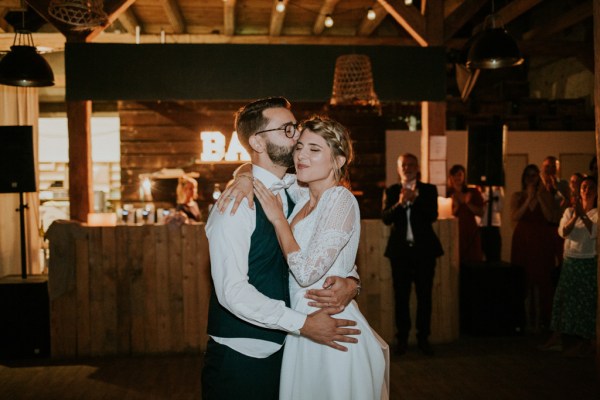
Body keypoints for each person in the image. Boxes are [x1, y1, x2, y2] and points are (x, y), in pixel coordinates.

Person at [201, 97, 361, 400]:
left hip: (291, 350)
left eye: (295, 127)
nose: (296, 136)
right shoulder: (234, 206)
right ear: (257, 142)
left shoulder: (297, 190)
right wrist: (302, 324)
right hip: (243, 355)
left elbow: (329, 247)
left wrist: (352, 282)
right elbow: (232, 291)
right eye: (287, 130)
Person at [254, 116, 388, 399]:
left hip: (335, 331)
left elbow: (305, 273)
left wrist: (279, 220)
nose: (301, 155)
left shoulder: (340, 199)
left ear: (338, 160)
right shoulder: (303, 194)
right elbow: (260, 173)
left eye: (315, 149)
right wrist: (242, 177)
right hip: (305, 327)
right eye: (300, 147)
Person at [382, 153, 443, 356]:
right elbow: (386, 219)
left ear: (417, 167)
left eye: (410, 164)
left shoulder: (428, 190)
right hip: (400, 253)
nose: (407, 168)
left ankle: (423, 338)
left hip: (424, 252)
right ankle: (402, 340)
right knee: (401, 297)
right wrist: (400, 203)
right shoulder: (391, 191)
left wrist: (415, 199)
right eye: (403, 165)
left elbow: (432, 215)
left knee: (424, 296)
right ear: (399, 169)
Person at [550, 176, 597, 357]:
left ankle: (588, 342)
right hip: (570, 261)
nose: (587, 190)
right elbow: (563, 232)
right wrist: (576, 215)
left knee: (584, 303)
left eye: (591, 187)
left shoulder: (596, 213)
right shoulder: (570, 211)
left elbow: (594, 232)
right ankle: (561, 338)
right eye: (584, 187)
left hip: (586, 261)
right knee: (564, 300)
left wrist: (583, 215)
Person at [510, 164, 559, 332]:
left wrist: (538, 198)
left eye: (534, 175)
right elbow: (515, 216)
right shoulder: (517, 196)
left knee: (542, 279)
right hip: (523, 241)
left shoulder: (545, 195)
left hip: (541, 241)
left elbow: (550, 217)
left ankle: (541, 320)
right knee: (524, 281)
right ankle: (525, 321)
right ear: (524, 178)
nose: (531, 179)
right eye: (528, 175)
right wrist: (528, 199)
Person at [446, 164, 484, 264]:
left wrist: (467, 204)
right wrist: (457, 207)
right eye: (454, 175)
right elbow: (445, 216)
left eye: (459, 175)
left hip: (470, 230)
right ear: (450, 177)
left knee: (473, 260)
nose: (457, 178)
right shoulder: (447, 194)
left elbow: (481, 212)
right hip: (454, 232)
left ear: (464, 176)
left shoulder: (472, 192)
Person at [477, 185, 504, 262]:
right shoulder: (477, 188)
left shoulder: (497, 188)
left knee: (494, 258)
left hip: (493, 226)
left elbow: (500, 207)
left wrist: (496, 192)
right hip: (480, 226)